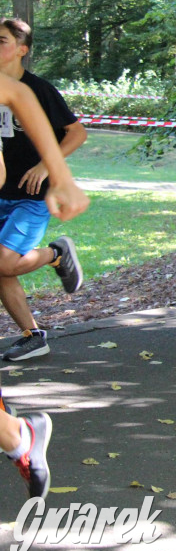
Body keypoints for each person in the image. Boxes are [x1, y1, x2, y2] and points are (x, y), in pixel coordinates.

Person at [0, 70, 90, 498]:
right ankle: (20, 438)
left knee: (5, 264)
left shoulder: (28, 86)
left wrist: (60, 175)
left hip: (23, 198)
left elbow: (18, 94)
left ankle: (20, 437)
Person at [0, 18, 88, 361]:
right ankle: (33, 335)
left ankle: (56, 254)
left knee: (4, 263)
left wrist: (48, 167)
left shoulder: (36, 89)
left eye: (2, 40)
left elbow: (77, 133)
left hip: (32, 195)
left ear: (21, 50)